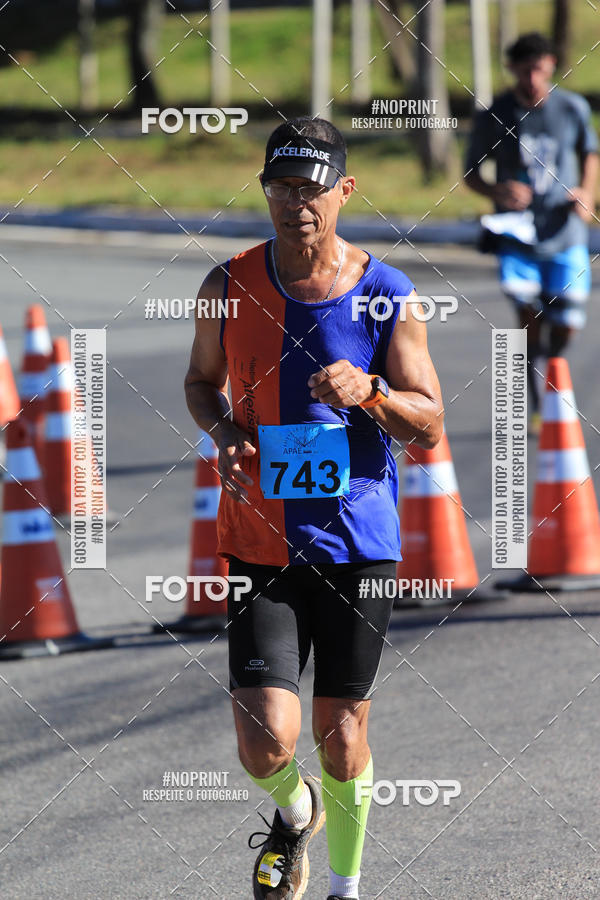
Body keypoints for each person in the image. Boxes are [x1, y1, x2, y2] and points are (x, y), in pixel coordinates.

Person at [184, 116, 443, 900]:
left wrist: (371, 392)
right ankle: (294, 818)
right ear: (264, 190)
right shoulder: (227, 286)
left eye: (313, 186)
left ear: (345, 191)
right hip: (259, 542)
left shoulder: (384, 293)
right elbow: (201, 384)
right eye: (282, 185)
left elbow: (428, 422)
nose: (297, 201)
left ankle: (344, 887)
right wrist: (226, 433)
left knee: (342, 734)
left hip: (357, 542)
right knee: (265, 741)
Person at [464, 32, 598, 433]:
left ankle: (549, 365)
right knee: (528, 317)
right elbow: (471, 173)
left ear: (552, 66)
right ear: (512, 70)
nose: (533, 78)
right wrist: (496, 189)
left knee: (569, 320)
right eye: (525, 71)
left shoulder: (571, 107)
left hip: (565, 232)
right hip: (518, 236)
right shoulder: (495, 115)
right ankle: (540, 400)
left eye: (539, 69)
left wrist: (587, 193)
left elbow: (589, 151)